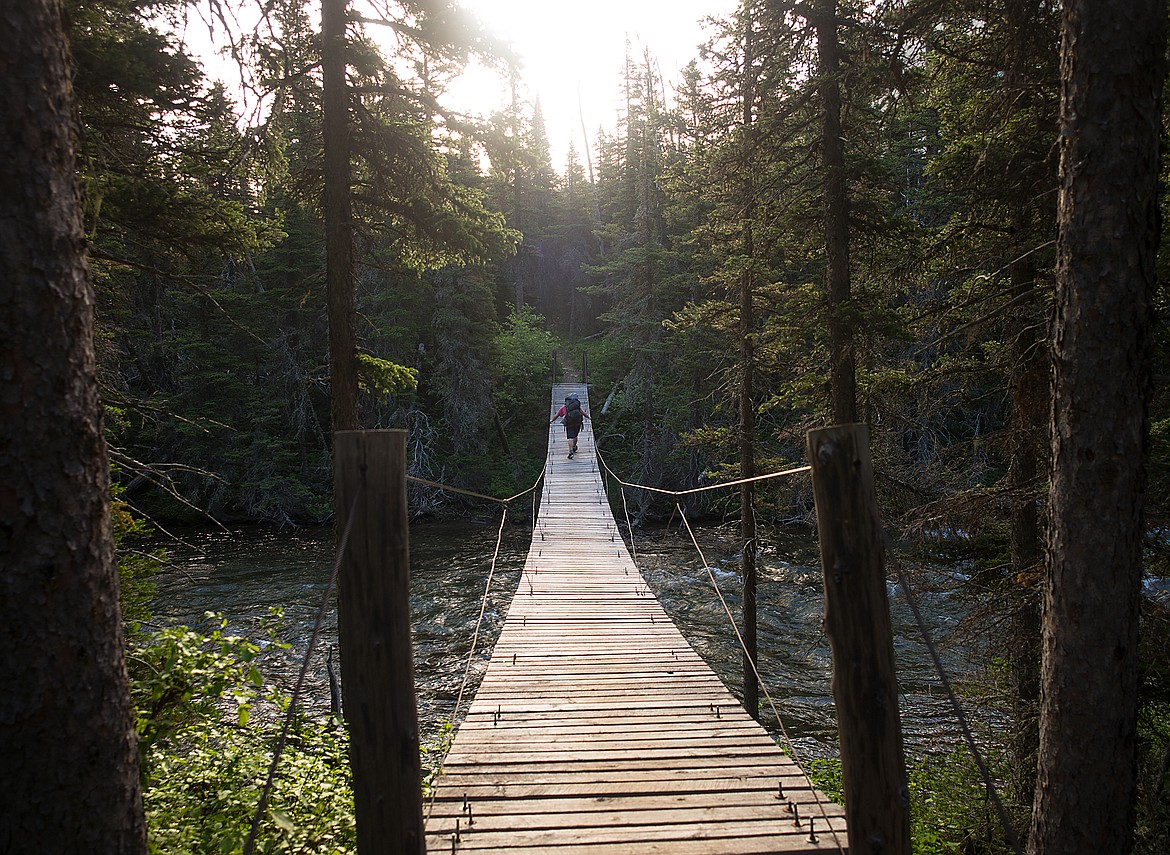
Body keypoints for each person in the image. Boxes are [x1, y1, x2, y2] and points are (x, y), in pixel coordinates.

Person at [550, 393, 589, 458]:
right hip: (578, 423)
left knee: (570, 437)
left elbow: (557, 415)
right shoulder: (577, 407)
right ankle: (574, 446)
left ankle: (571, 451)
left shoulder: (564, 407)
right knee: (575, 436)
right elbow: (583, 413)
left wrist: (551, 421)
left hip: (569, 424)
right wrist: (589, 417)